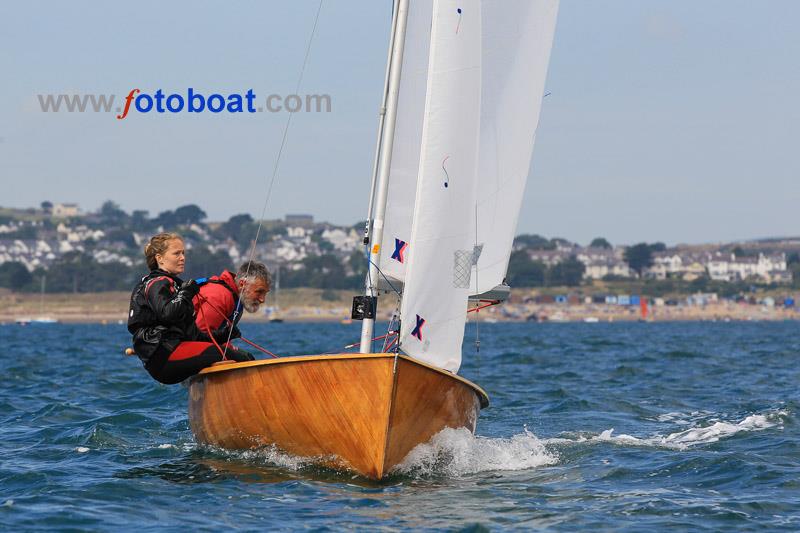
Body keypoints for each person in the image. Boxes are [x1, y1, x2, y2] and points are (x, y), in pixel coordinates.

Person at [127, 232, 254, 385]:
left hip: (172, 350)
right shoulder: (158, 283)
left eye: (183, 253)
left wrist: (223, 334)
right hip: (163, 355)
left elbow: (192, 334)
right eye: (176, 254)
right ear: (159, 258)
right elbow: (168, 314)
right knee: (236, 357)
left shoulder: (172, 285)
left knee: (243, 356)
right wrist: (186, 293)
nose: (182, 258)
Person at [193, 260, 271, 340]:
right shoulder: (220, 297)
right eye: (259, 291)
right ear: (242, 284)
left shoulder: (236, 298)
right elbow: (197, 339)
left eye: (265, 293)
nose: (262, 299)